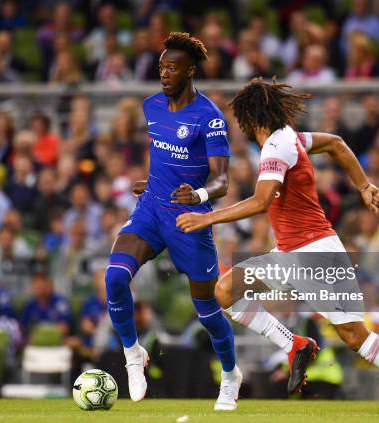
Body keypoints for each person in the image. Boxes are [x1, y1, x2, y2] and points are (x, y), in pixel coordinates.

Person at [176, 78, 379, 416]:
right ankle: (293, 343)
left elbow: (262, 200)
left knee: (355, 337)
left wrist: (207, 219)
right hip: (291, 254)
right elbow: (336, 143)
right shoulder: (291, 138)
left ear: (251, 118)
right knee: (225, 290)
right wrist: (363, 185)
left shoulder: (277, 146)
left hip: (316, 253)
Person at [104, 32, 239, 410]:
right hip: (150, 209)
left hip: (188, 219)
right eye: (161, 67)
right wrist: (151, 182)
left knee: (209, 312)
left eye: (172, 67)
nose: (164, 74)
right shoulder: (151, 106)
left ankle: (230, 376)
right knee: (114, 277)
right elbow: (167, 159)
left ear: (190, 71)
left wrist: (197, 196)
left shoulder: (210, 118)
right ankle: (133, 354)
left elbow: (222, 181)